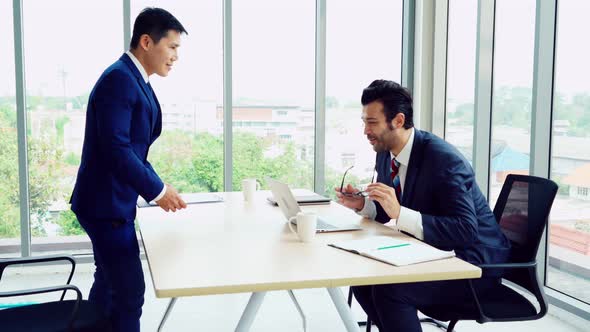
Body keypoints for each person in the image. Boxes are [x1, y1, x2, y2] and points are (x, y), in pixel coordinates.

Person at [336, 79, 511, 332]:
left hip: (473, 265)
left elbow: (465, 230)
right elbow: (393, 209)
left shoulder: (444, 161)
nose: (365, 130)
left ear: (398, 120)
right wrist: (364, 204)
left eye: (372, 122)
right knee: (364, 278)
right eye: (364, 121)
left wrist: (399, 213)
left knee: (391, 289)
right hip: (433, 252)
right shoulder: (386, 152)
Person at [70, 8, 188, 332]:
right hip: (104, 205)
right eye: (172, 47)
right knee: (130, 292)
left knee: (108, 283)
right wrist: (158, 192)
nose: (176, 56)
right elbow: (116, 149)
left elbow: (134, 150)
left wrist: (161, 187)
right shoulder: (120, 80)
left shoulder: (136, 80)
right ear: (147, 42)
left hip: (111, 202)